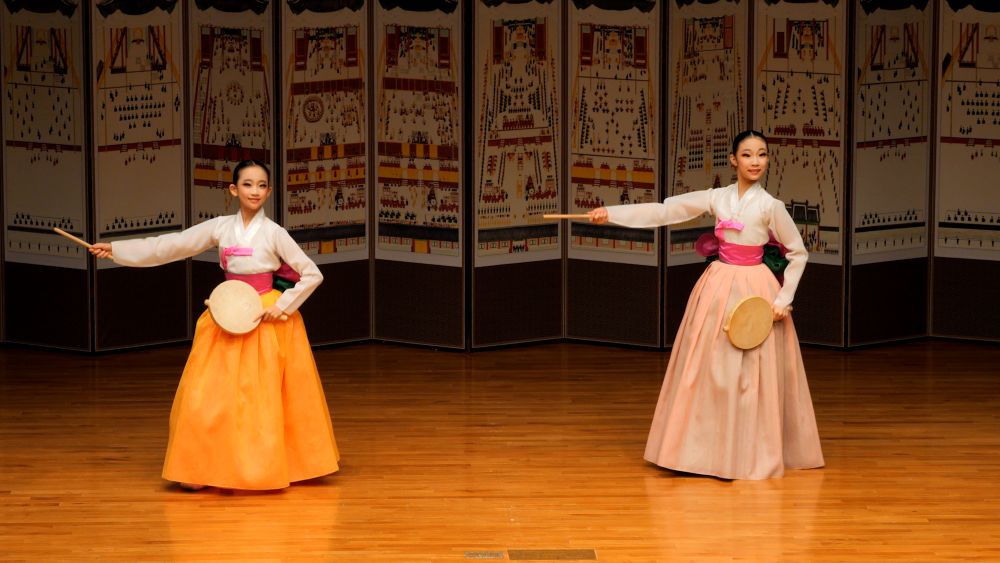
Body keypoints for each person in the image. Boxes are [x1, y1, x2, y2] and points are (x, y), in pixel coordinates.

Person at [89, 160, 339, 490]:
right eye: (247, 184)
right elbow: (173, 245)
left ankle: (260, 467)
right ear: (234, 190)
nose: (254, 191)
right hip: (227, 313)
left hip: (263, 317)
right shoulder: (220, 227)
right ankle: (201, 468)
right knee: (206, 395)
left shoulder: (274, 233)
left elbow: (312, 273)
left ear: (269, 191)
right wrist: (118, 250)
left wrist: (281, 306)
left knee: (259, 398)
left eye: (261, 185)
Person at [589, 130, 824, 480]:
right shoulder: (718, 198)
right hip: (718, 285)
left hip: (755, 288)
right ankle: (702, 452)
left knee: (751, 374)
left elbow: (798, 252)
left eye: (762, 154)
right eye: (747, 154)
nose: (755, 161)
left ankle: (747, 453)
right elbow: (666, 210)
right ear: (733, 160)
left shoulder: (770, 206)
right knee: (710, 369)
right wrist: (610, 213)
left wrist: (783, 299)